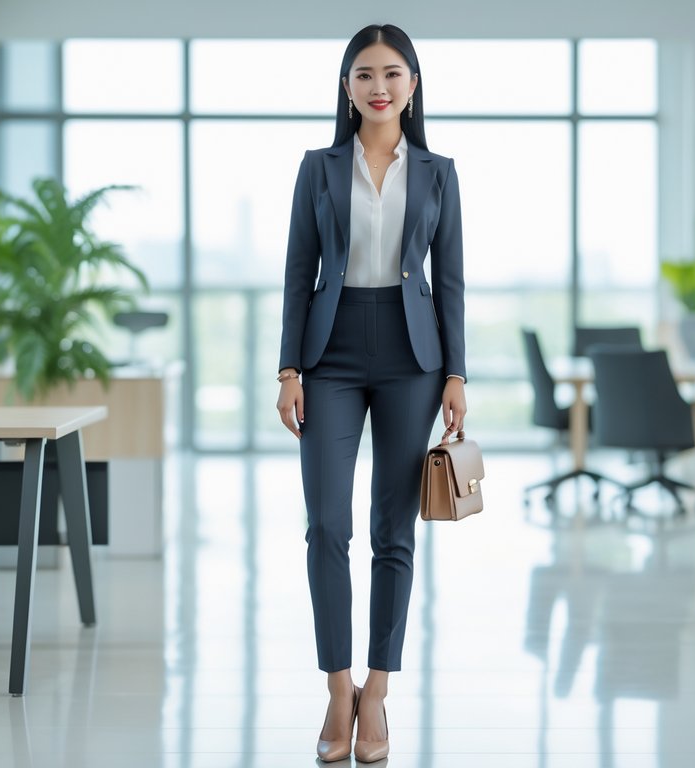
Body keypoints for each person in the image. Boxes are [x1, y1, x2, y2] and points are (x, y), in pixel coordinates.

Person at [275, 23, 467, 764]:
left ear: (412, 87)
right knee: (326, 524)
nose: (378, 85)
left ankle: (377, 691)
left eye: (392, 73)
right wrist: (287, 370)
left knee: (395, 529)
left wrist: (456, 373)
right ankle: (336, 686)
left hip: (412, 355)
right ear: (346, 88)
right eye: (363, 74)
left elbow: (449, 278)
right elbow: (297, 271)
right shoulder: (317, 167)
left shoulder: (439, 172)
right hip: (329, 351)